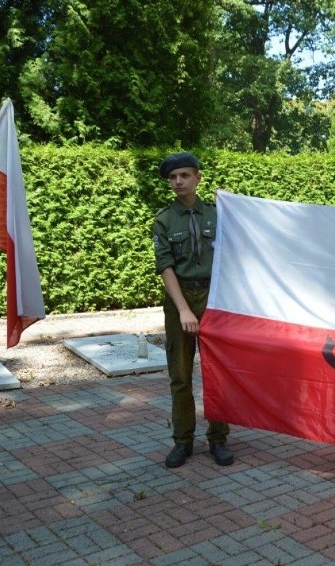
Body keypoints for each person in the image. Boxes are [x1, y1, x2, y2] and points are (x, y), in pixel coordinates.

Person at [152, 151, 233, 468]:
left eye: (184, 175)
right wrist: (184, 310)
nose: (178, 181)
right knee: (180, 376)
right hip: (179, 300)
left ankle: (218, 439)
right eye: (173, 177)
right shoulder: (164, 220)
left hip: (214, 298)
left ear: (198, 177)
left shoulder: (218, 215)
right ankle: (183, 441)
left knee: (218, 373)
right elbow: (166, 267)